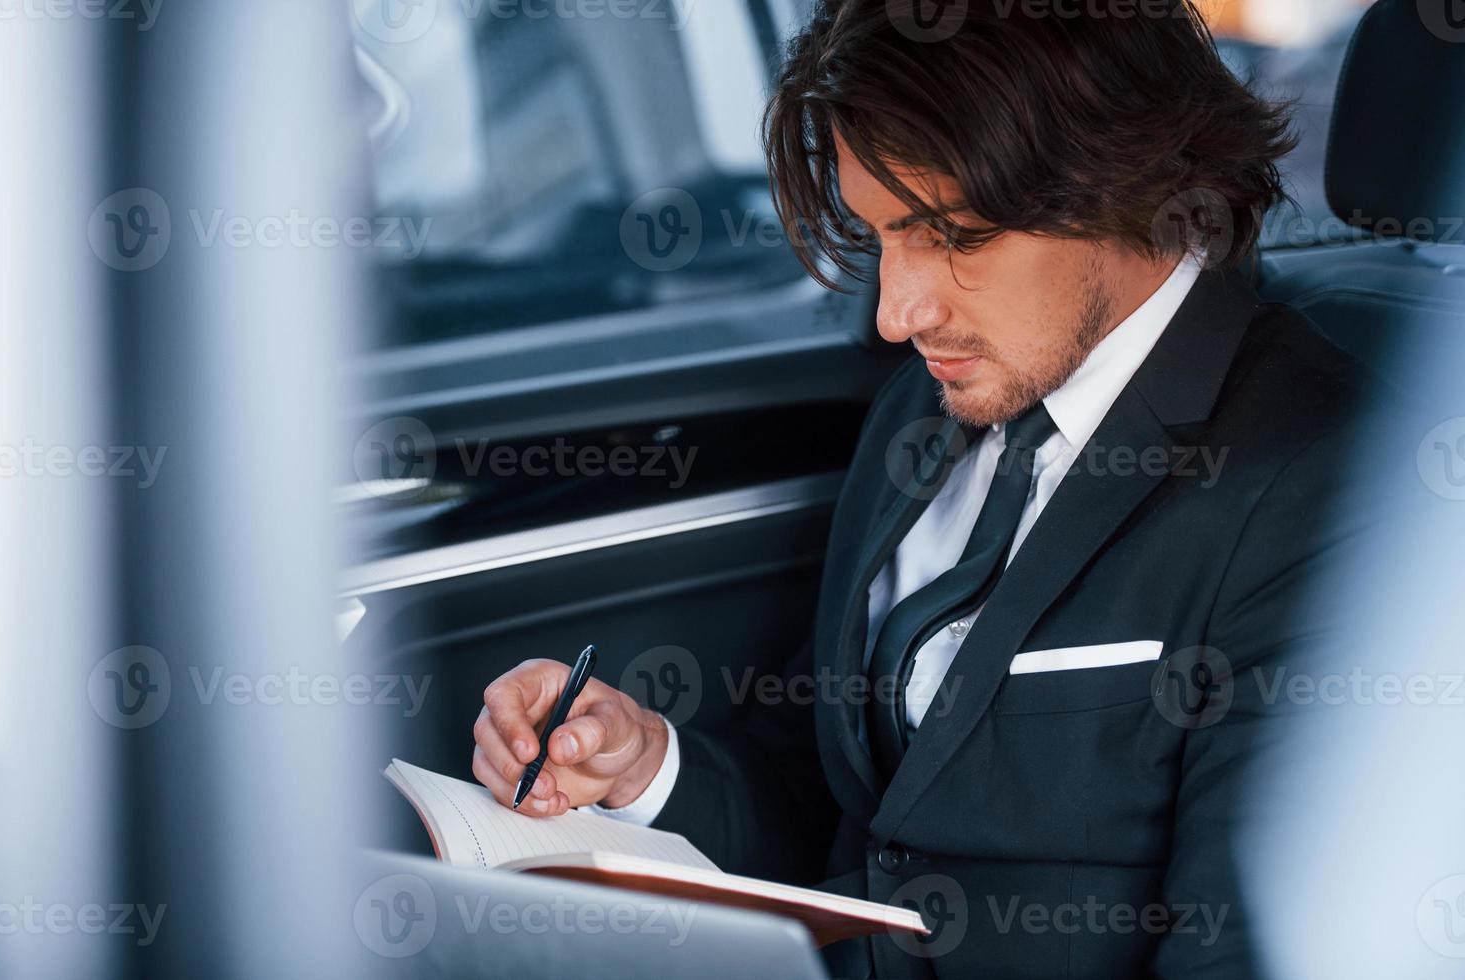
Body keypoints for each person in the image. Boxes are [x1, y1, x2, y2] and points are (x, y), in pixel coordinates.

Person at [471, 2, 1390, 975]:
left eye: (951, 235)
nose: (896, 311)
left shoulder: (1319, 485)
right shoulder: (926, 410)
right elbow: (851, 801)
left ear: (1123, 180)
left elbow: (1248, 948)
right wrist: (642, 760)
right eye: (880, 237)